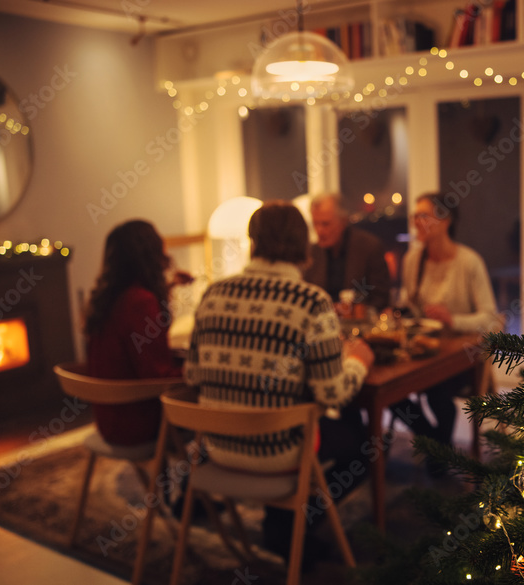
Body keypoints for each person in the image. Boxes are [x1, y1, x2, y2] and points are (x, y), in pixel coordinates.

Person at [183, 201, 375, 566]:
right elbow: (331, 393)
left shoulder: (212, 294)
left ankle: (281, 526)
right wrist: (357, 363)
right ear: (303, 247)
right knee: (362, 449)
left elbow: (192, 376)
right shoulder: (310, 301)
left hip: (217, 447)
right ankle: (294, 527)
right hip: (277, 451)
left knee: (313, 420)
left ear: (253, 243)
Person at [394, 192, 500, 455]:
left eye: (423, 216)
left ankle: (438, 450)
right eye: (414, 216)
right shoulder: (413, 260)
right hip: (425, 350)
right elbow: (409, 303)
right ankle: (435, 443)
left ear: (445, 221)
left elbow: (490, 318)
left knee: (435, 391)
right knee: (389, 390)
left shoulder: (468, 262)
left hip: (461, 357)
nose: (416, 222)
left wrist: (452, 319)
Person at [83, 219, 191, 446]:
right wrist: (196, 372)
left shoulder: (108, 299)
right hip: (137, 423)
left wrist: (168, 287)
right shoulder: (140, 302)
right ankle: (199, 475)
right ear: (151, 253)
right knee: (210, 397)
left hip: (109, 419)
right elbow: (156, 375)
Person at [304, 192, 392, 312]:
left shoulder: (369, 247)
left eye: (325, 224)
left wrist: (350, 311)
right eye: (315, 224)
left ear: (343, 221)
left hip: (361, 326)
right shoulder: (312, 253)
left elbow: (380, 299)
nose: (319, 231)